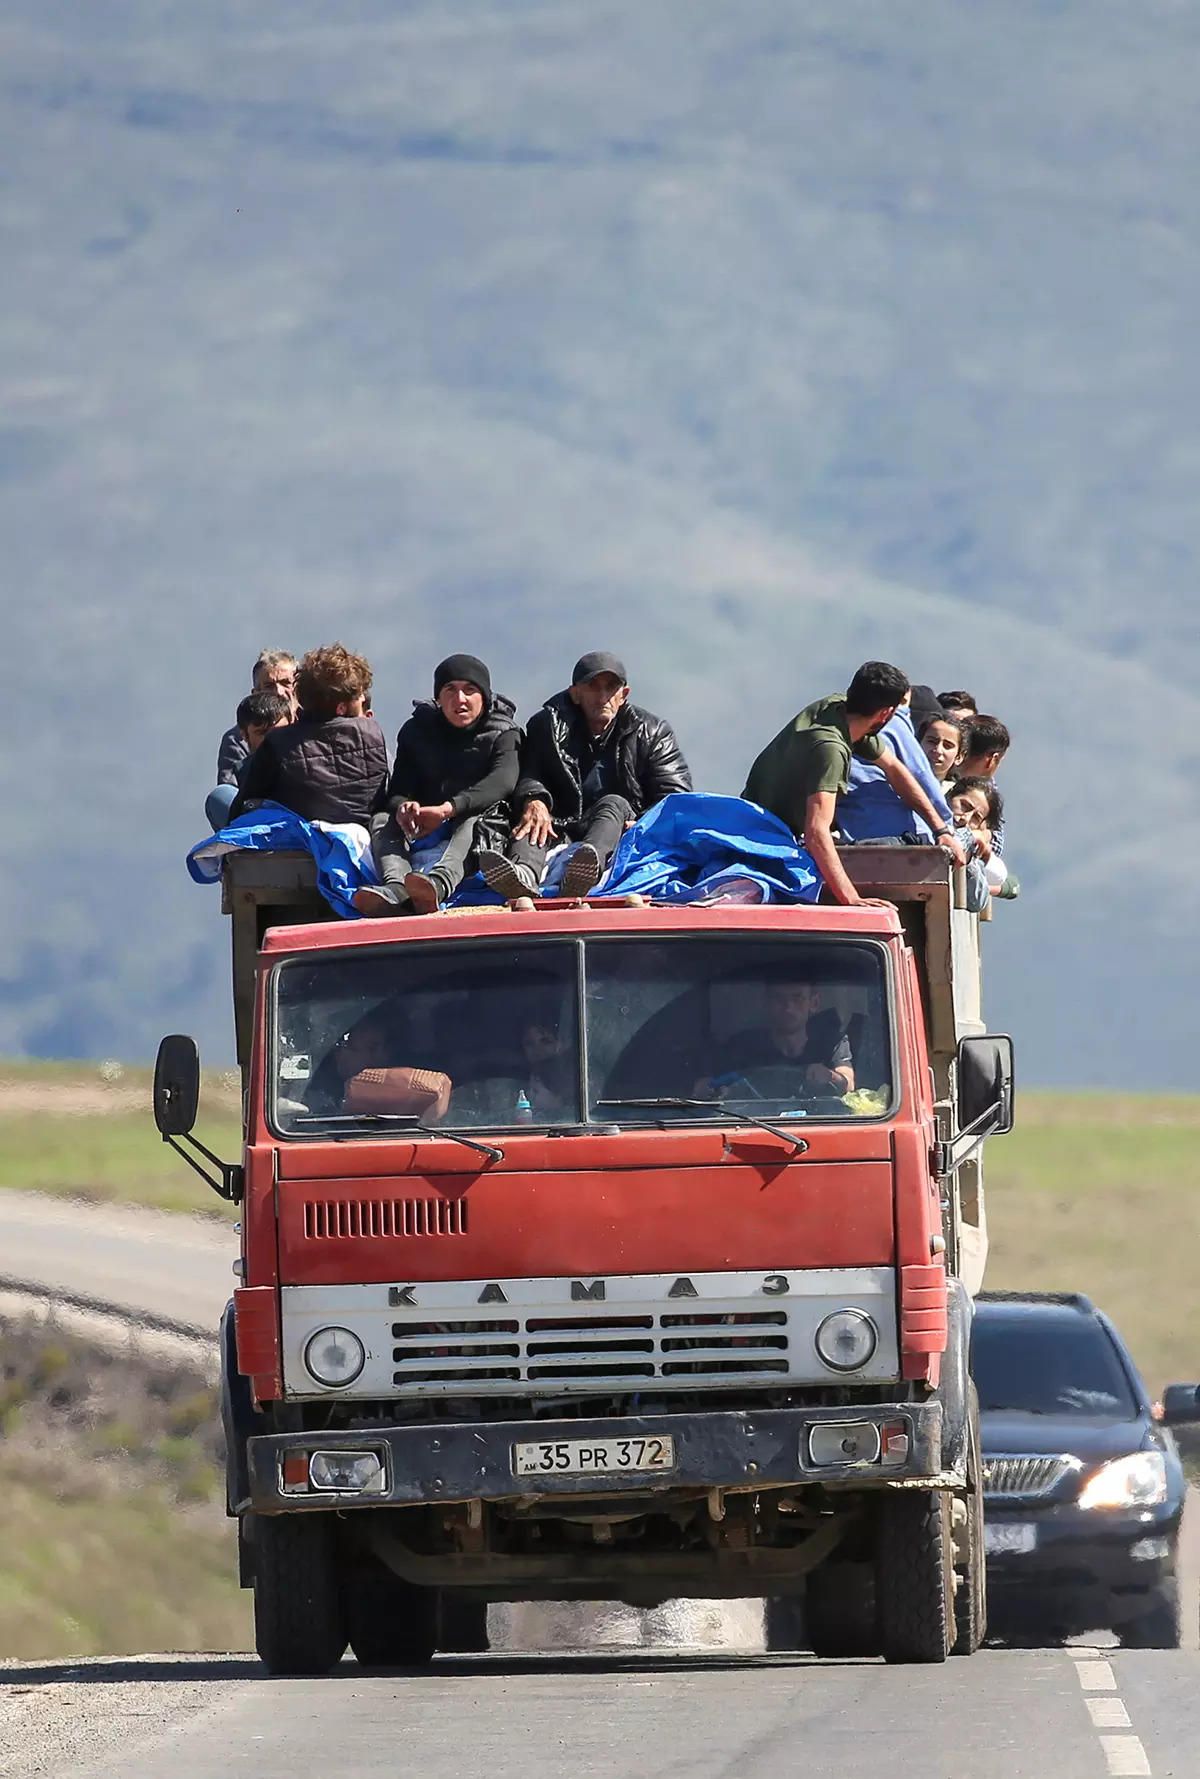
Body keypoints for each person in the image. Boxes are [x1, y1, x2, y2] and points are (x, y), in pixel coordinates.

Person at [742, 661, 965, 907]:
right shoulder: (831, 749)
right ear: (886, 714)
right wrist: (852, 899)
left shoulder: (838, 711)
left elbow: (894, 769)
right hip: (763, 839)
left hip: (761, 824)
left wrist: (941, 831)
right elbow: (817, 831)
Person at [477, 651, 692, 900]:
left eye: (611, 688)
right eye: (593, 687)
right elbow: (529, 771)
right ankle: (522, 875)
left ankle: (582, 873)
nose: (603, 697)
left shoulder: (652, 732)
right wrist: (534, 799)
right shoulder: (546, 725)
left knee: (614, 802)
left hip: (618, 825)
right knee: (534, 820)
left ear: (624, 695)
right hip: (561, 823)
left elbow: (676, 796)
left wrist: (647, 822)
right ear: (575, 694)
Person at [354, 654, 520, 917]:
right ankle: (396, 888)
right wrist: (404, 808)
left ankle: (437, 885)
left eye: (470, 690)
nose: (460, 699)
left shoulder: (504, 731)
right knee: (382, 819)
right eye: (450, 690)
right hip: (426, 821)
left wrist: (447, 809)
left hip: (480, 821)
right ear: (438, 698)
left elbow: (502, 782)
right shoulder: (416, 731)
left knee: (474, 819)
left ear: (484, 697)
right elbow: (398, 790)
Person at [230, 642, 387, 826]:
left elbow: (241, 808)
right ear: (341, 705)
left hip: (299, 836)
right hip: (362, 829)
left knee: (221, 797)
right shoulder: (372, 732)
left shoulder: (279, 741)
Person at [695, 978, 854, 1102]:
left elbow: (849, 1084)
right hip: (752, 1127)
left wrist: (829, 1076)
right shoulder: (741, 1046)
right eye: (778, 998)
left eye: (797, 998)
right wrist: (711, 1089)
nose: (788, 1008)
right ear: (767, 1003)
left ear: (814, 1003)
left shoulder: (831, 1041)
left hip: (820, 1126)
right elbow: (707, 1085)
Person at [837, 689, 954, 844]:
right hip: (895, 836)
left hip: (854, 834)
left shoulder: (844, 723)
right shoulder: (895, 723)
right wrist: (947, 826)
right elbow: (922, 776)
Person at [205, 690, 291, 830]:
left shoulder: (307, 752)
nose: (271, 739)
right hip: (264, 832)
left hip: (304, 832)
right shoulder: (248, 769)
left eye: (278, 730)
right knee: (220, 796)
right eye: (262, 733)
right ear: (244, 735)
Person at [215, 650, 298, 790]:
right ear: (255, 694)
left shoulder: (315, 726)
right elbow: (229, 794)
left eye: (285, 683)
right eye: (269, 686)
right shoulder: (237, 739)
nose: (278, 691)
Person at [918, 711, 967, 783]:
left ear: (959, 757)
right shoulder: (898, 783)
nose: (938, 750)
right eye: (932, 741)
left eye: (947, 746)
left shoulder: (958, 793)